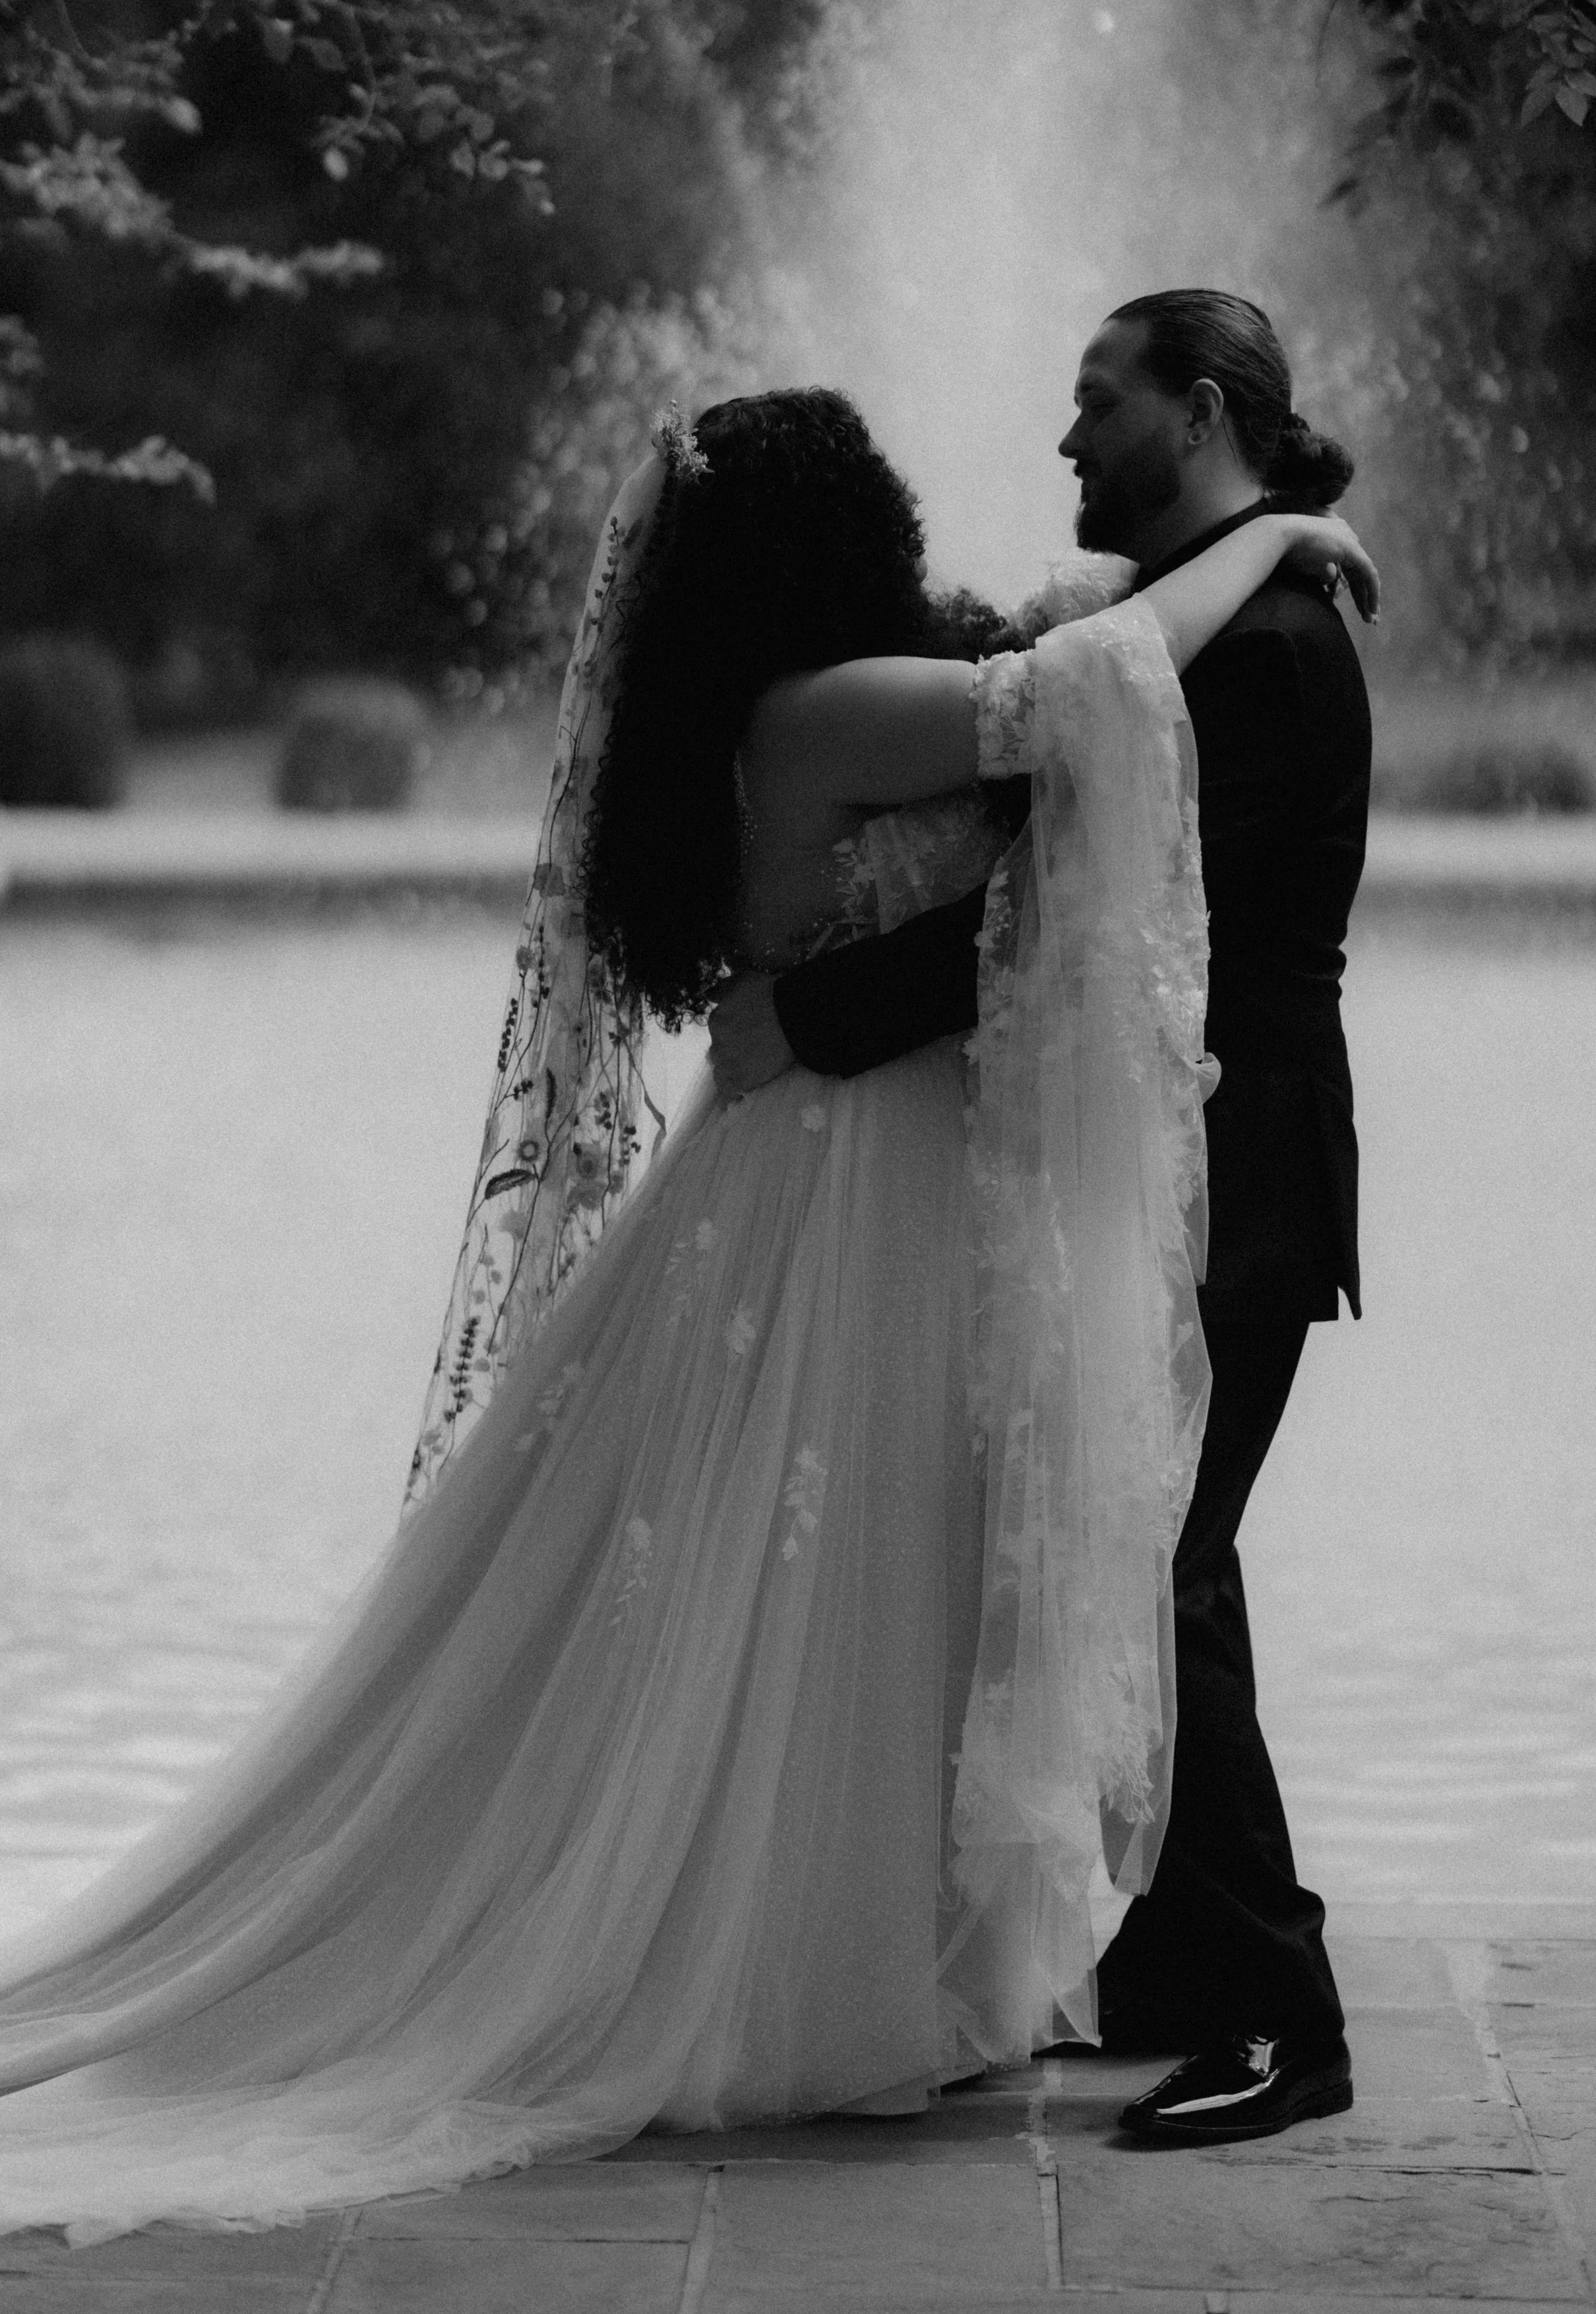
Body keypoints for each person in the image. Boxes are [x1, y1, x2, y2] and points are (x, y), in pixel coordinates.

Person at [0, 386, 1375, 2240]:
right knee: (838, 1573)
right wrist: (1278, 538)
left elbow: (1057, 634)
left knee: (854, 1576)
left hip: (832, 1158)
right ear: (838, 534)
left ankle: (885, 1943)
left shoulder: (792, 700)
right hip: (847, 1183)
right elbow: (1093, 684)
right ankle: (816, 1956)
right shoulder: (829, 710)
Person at [708, 295, 1373, 2147]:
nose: (1063, 440)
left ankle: (1279, 2016)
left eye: (1098, 403)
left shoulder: (1266, 659)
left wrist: (816, 1019)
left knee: (1164, 1561)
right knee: (1118, 1544)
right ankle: (1164, 1968)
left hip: (1234, 1179)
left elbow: (1068, 930)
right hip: (1180, 1164)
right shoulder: (1205, 627)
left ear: (1205, 410)